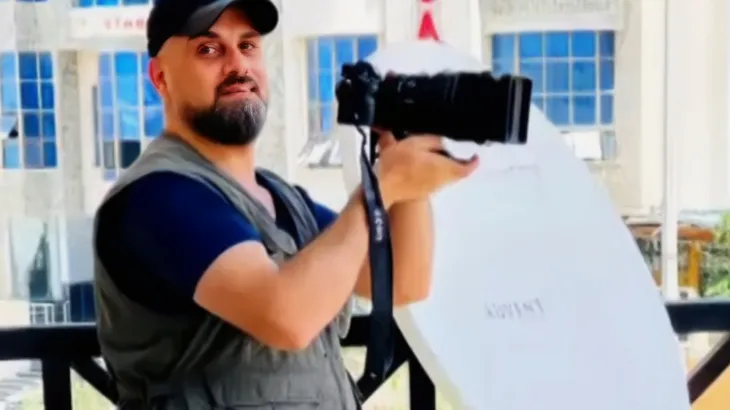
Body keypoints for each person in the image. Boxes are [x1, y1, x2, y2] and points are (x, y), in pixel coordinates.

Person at [92, 0, 479, 409]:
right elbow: (287, 319)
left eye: (248, 46)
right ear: (160, 77)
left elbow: (404, 282)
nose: (237, 65)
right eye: (209, 49)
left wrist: (404, 159)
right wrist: (383, 186)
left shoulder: (285, 201)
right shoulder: (156, 197)